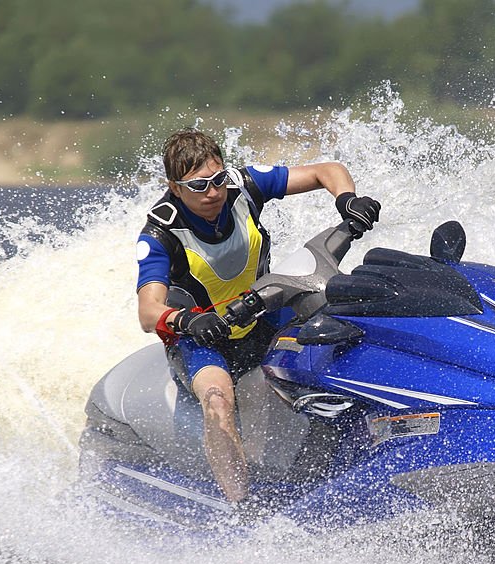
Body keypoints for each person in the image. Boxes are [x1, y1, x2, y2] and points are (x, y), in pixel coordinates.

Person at [135, 129, 380, 504]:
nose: (213, 193)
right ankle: (241, 507)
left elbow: (326, 171)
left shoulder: (244, 185)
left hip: (259, 310)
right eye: (199, 186)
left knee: (339, 327)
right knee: (218, 401)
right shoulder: (160, 234)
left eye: (217, 180)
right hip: (203, 335)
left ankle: (364, 446)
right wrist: (189, 321)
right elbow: (148, 312)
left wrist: (348, 200)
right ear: (176, 187)